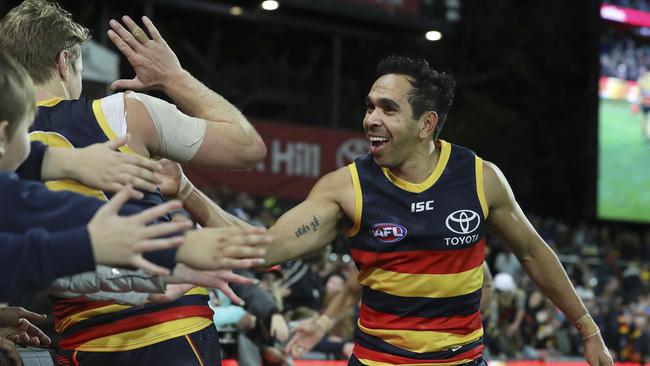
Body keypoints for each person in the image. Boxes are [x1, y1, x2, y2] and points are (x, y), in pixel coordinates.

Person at [169, 56, 614, 365]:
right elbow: (263, 250)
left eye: (387, 108)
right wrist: (186, 189)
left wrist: (588, 330)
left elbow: (534, 254)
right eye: (368, 107)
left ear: (426, 124)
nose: (370, 119)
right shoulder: (347, 188)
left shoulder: (480, 178)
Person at [0, 2, 269, 364]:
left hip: (84, 340)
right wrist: (175, 78)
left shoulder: (13, 148)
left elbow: (47, 254)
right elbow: (248, 147)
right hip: (170, 328)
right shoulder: (124, 113)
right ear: (65, 63)